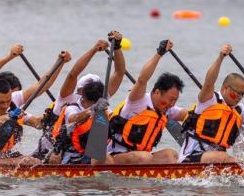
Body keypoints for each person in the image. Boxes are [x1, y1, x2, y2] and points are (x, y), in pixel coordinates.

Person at [34, 32, 126, 161]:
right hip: (52, 152)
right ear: (80, 90)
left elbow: (119, 73)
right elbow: (72, 75)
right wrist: (93, 50)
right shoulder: (66, 99)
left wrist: (117, 47)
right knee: (56, 156)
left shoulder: (99, 97)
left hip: (80, 151)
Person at [179, 44, 244, 163]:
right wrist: (220, 58)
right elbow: (209, 82)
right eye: (237, 93)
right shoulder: (209, 100)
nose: (239, 97)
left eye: (242, 94)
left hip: (215, 161)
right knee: (223, 156)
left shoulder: (238, 109)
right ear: (225, 89)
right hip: (190, 158)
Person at [107, 39, 187, 164]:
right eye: (171, 99)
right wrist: (159, 53)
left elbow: (189, 114)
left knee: (171, 155)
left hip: (143, 157)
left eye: (175, 101)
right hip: (117, 157)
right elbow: (142, 80)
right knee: (145, 157)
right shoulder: (137, 100)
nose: (172, 104)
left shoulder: (167, 109)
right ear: (157, 92)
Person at [0, 77, 43, 165]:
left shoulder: (12, 109)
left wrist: (52, 116)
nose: (5, 106)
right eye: (1, 102)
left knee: (35, 161)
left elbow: (38, 123)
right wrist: (7, 116)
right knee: (28, 163)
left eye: (8, 101)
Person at [55, 80, 109, 165]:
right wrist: (92, 109)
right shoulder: (72, 108)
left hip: (91, 157)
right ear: (83, 99)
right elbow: (73, 119)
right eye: (92, 103)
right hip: (72, 158)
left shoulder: (103, 108)